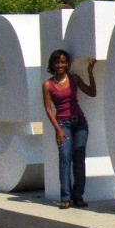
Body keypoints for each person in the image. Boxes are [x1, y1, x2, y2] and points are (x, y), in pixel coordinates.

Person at [42, 50, 97, 209]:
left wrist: (90, 73)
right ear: (52, 64)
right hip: (63, 124)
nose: (60, 65)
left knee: (79, 159)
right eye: (57, 62)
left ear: (67, 63)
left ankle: (78, 196)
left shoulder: (73, 79)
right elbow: (48, 109)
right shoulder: (48, 85)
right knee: (65, 158)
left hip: (79, 122)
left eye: (63, 62)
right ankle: (65, 197)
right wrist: (58, 130)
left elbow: (92, 93)